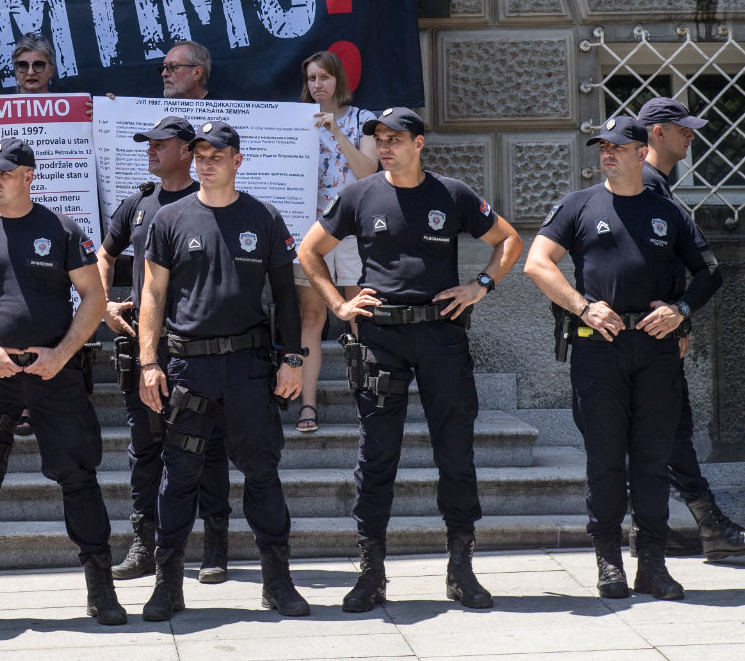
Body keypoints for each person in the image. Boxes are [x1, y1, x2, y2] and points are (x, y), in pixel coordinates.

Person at [299, 106, 523, 613]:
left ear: (419, 143)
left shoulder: (453, 193)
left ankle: (461, 569)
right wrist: (338, 304)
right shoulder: (359, 194)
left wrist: (481, 284)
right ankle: (370, 573)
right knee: (377, 455)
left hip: (441, 334)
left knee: (455, 451)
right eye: (379, 137)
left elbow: (510, 240)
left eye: (395, 137)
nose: (385, 145)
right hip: (381, 339)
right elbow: (310, 250)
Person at [523, 115, 721, 601]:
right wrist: (581, 304)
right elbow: (536, 262)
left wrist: (680, 310)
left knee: (652, 460)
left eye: (618, 146)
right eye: (601, 147)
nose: (607, 153)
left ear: (639, 153)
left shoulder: (667, 212)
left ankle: (651, 564)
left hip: (654, 351)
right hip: (598, 347)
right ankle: (608, 561)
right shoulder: (579, 205)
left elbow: (709, 272)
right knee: (606, 460)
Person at [0, 137, 125, 632]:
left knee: (79, 479)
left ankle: (100, 590)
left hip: (54, 378)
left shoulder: (60, 229)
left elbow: (93, 296)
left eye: (3, 171)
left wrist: (61, 355)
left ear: (28, 176)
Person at [136, 121, 308, 622]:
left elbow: (286, 296)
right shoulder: (170, 219)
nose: (206, 161)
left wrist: (292, 358)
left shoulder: (265, 217)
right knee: (179, 476)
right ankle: (168, 585)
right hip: (189, 367)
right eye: (200, 153)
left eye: (217, 154)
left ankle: (277, 582)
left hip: (249, 368)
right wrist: (149, 362)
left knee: (262, 473)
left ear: (238, 160)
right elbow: (152, 295)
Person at [96, 115, 233, 585]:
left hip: (197, 346)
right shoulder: (137, 202)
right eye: (147, 143)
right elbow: (104, 254)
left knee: (209, 446)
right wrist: (104, 305)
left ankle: (215, 545)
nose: (151, 150)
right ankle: (145, 543)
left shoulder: (207, 201)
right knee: (145, 445)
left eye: (160, 143)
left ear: (186, 150)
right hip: (144, 346)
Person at [635, 97, 745, 560]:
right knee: (671, 431)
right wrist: (677, 312)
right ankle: (709, 525)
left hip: (660, 329)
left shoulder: (660, 187)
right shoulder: (646, 187)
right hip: (646, 335)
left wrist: (682, 314)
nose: (691, 136)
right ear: (656, 133)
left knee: (664, 432)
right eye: (682, 129)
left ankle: (649, 530)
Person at [294, 51, 378, 434]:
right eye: (312, 79)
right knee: (312, 316)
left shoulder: (364, 119)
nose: (317, 86)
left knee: (357, 313)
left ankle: (367, 404)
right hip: (310, 231)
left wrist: (337, 131)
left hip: (354, 227)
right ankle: (307, 406)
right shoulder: (295, 120)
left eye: (324, 77)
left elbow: (368, 171)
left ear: (338, 79)